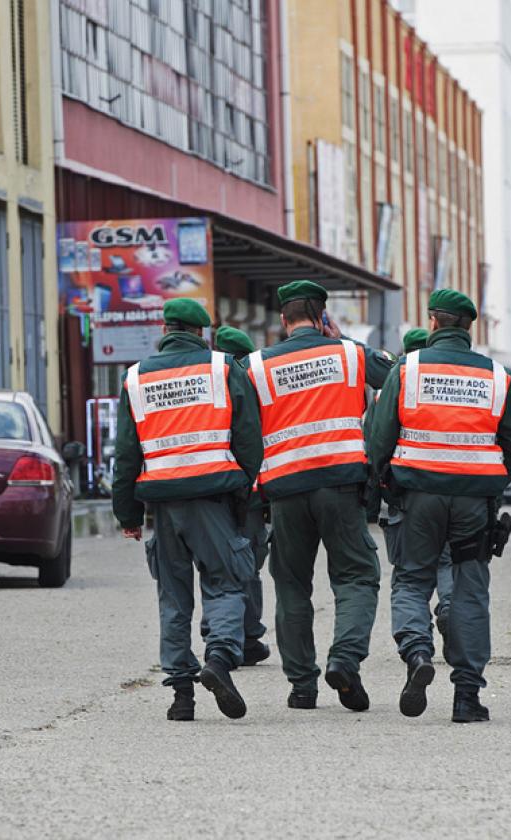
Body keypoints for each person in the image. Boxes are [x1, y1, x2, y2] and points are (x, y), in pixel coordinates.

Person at [370, 289, 511, 723]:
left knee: (412, 579)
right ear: (468, 326)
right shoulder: (497, 376)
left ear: (434, 323)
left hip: (417, 497)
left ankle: (418, 652)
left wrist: (387, 482)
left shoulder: (408, 369)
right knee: (470, 590)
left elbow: (379, 437)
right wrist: (491, 482)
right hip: (474, 502)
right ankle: (467, 697)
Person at [112, 299, 263, 721]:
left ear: (165, 328)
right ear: (202, 333)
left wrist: (126, 514)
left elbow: (125, 453)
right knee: (228, 582)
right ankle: (218, 659)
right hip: (214, 497)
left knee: (173, 600)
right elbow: (250, 436)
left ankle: (181, 697)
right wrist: (243, 487)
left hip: (162, 504)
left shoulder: (136, 377)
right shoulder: (222, 368)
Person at [246, 280, 391, 711]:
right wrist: (342, 341)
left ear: (282, 319)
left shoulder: (256, 365)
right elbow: (400, 377)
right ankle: (344, 660)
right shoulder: (349, 354)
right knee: (357, 577)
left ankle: (302, 687)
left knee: (291, 586)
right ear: (323, 316)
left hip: (284, 491)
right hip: (341, 487)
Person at [367, 327, 453, 653]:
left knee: (409, 576)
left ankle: (417, 648)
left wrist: (372, 504)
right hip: (457, 491)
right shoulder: (454, 384)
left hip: (406, 496)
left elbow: (375, 447)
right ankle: (449, 609)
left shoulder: (388, 388)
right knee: (449, 562)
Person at [197, 324, 270, 667]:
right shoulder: (251, 383)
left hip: (213, 487)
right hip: (250, 491)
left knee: (213, 563)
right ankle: (247, 635)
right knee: (246, 565)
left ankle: (215, 628)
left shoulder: (211, 382)